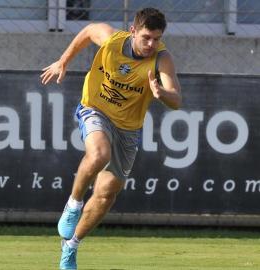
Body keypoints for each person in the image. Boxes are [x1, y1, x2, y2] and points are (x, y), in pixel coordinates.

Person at [40, 7, 182, 270]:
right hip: (95, 109)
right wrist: (63, 61)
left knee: (106, 194)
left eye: (156, 38)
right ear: (132, 32)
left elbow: (176, 100)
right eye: (146, 37)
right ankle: (73, 204)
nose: (151, 44)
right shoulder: (112, 39)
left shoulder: (162, 59)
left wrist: (161, 93)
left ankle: (70, 246)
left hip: (128, 130)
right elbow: (87, 31)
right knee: (99, 153)